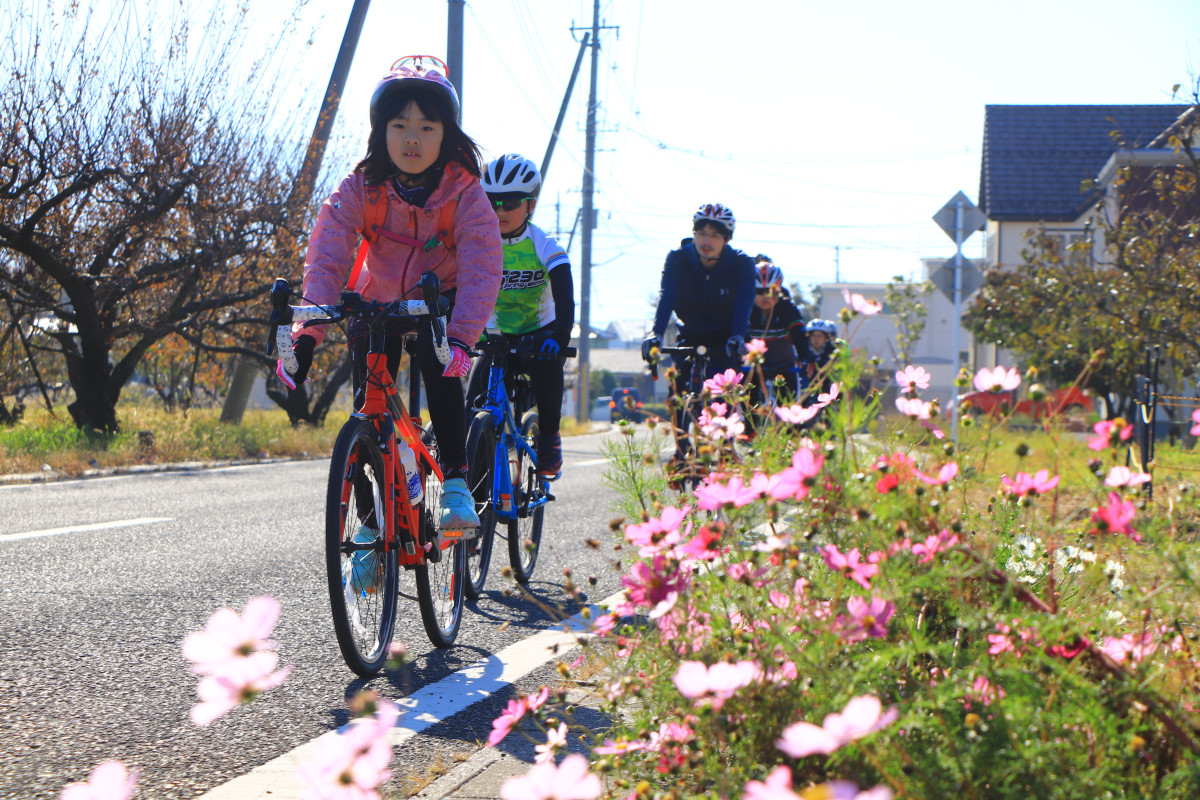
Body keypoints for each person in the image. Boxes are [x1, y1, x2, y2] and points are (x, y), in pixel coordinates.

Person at [279, 56, 502, 530]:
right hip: (377, 299)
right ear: (382, 131)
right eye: (399, 125)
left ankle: (457, 486)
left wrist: (461, 338)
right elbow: (327, 257)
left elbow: (484, 266)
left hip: (438, 300)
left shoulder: (465, 192)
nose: (412, 138)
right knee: (367, 405)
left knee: (439, 361)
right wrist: (307, 332)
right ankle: (368, 521)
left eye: (427, 126)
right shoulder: (361, 186)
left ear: (447, 135)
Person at [475, 153, 575, 480]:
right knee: (473, 400)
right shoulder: (476, 243)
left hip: (539, 334)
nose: (500, 210)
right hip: (496, 335)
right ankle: (476, 460)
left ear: (530, 205)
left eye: (510, 202)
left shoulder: (544, 245)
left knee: (547, 367)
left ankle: (550, 438)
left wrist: (560, 337)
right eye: (492, 202)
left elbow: (564, 295)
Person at [642, 203, 756, 459]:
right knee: (677, 388)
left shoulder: (741, 263)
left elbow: (744, 305)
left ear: (726, 239)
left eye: (715, 235)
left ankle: (727, 447)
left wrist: (738, 336)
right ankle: (681, 451)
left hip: (727, 335)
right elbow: (667, 297)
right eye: (701, 233)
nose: (707, 240)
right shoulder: (678, 259)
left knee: (726, 387)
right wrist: (656, 335)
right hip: (690, 333)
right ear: (693, 234)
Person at [746, 255, 806, 403]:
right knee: (749, 410)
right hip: (754, 367)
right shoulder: (746, 309)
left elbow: (800, 338)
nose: (765, 297)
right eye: (759, 292)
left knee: (789, 407)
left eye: (770, 292)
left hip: (784, 365)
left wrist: (806, 359)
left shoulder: (787, 308)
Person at [800, 318, 839, 401]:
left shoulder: (832, 351)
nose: (816, 339)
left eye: (819, 335)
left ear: (826, 338)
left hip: (826, 389)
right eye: (813, 335)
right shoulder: (802, 352)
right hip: (806, 389)